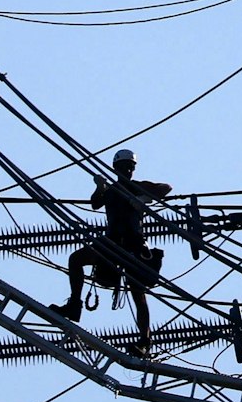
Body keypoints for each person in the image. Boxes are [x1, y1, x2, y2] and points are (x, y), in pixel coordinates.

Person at [49, 148, 172, 356]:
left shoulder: (137, 187)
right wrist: (100, 187)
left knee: (138, 293)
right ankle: (74, 305)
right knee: (76, 259)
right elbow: (96, 202)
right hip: (112, 242)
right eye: (124, 167)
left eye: (130, 167)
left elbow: (165, 188)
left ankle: (144, 340)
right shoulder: (113, 191)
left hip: (133, 245)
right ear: (116, 168)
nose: (128, 170)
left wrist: (143, 199)